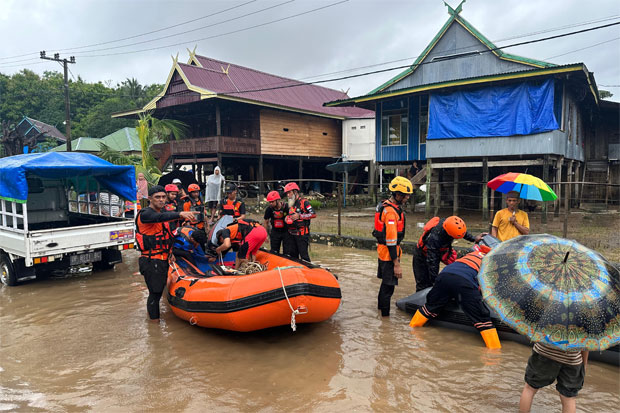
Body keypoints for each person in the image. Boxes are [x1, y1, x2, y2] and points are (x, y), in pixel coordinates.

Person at [409, 235, 502, 349]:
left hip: (445, 274)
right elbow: (487, 288)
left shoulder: (472, 254)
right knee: (482, 319)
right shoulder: (493, 263)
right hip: (464, 281)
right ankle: (495, 352)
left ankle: (412, 331)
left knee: (430, 307)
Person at [135, 185, 198, 321]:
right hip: (151, 260)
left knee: (157, 292)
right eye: (158, 197)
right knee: (155, 293)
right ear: (150, 198)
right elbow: (159, 217)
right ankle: (154, 325)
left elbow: (166, 235)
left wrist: (171, 252)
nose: (161, 200)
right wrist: (180, 214)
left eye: (163, 197)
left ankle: (153, 319)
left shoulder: (160, 214)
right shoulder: (145, 214)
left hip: (162, 258)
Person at [413, 215, 486, 292]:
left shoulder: (450, 223)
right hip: (422, 256)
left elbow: (461, 232)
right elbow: (432, 262)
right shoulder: (435, 238)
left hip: (436, 252)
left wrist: (474, 238)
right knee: (423, 284)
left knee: (432, 284)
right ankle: (420, 302)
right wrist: (435, 280)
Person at [373, 176, 412, 317]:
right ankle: (385, 319)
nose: (407, 198)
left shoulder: (387, 206)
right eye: (406, 195)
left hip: (383, 252)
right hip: (389, 254)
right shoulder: (390, 212)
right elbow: (391, 240)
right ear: (398, 194)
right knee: (388, 288)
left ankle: (380, 310)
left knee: (385, 284)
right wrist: (396, 263)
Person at [519, 344, 589, 413]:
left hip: (544, 352)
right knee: (569, 398)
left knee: (529, 389)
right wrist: (584, 363)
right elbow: (587, 342)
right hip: (572, 359)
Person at [283, 182, 316, 262]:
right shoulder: (289, 204)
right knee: (293, 257)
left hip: (302, 235)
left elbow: (313, 214)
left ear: (295, 192)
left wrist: (300, 216)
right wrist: (286, 218)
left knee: (304, 257)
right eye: (287, 193)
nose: (288, 195)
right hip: (291, 235)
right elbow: (286, 215)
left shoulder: (304, 202)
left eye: (289, 192)